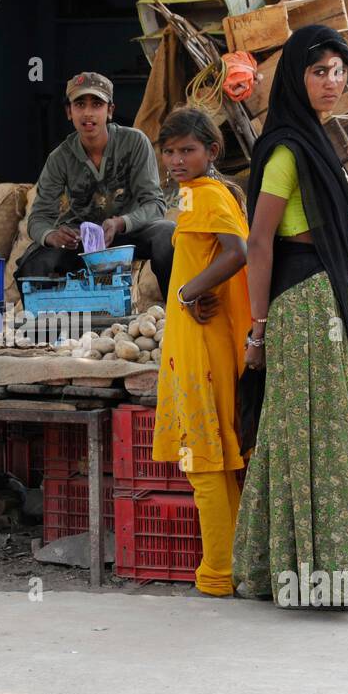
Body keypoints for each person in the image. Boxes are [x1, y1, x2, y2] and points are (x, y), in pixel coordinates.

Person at [231, 24, 348, 609]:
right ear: (296, 76)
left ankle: (300, 573)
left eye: (339, 71)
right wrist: (258, 329)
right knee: (311, 438)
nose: (333, 82)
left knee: (303, 435)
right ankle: (310, 577)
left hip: (321, 301)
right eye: (320, 71)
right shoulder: (288, 148)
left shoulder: (312, 138)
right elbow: (259, 242)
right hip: (301, 307)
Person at [151, 107, 251, 598]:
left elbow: (237, 252)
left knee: (203, 463)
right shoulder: (201, 194)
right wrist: (200, 287)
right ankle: (232, 568)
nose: (175, 159)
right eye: (168, 151)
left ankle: (216, 575)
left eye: (187, 150)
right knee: (218, 462)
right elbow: (221, 258)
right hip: (197, 342)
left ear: (212, 151)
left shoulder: (208, 194)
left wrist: (190, 292)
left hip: (201, 350)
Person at [15, 72, 173, 295]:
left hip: (127, 233)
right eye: (80, 104)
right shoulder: (59, 158)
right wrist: (53, 236)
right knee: (33, 264)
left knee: (167, 234)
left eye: (97, 104)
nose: (88, 113)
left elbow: (155, 204)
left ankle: (174, 315)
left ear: (109, 110)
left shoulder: (135, 142)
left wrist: (120, 222)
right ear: (69, 112)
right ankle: (50, 327)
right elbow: (38, 218)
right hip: (78, 239)